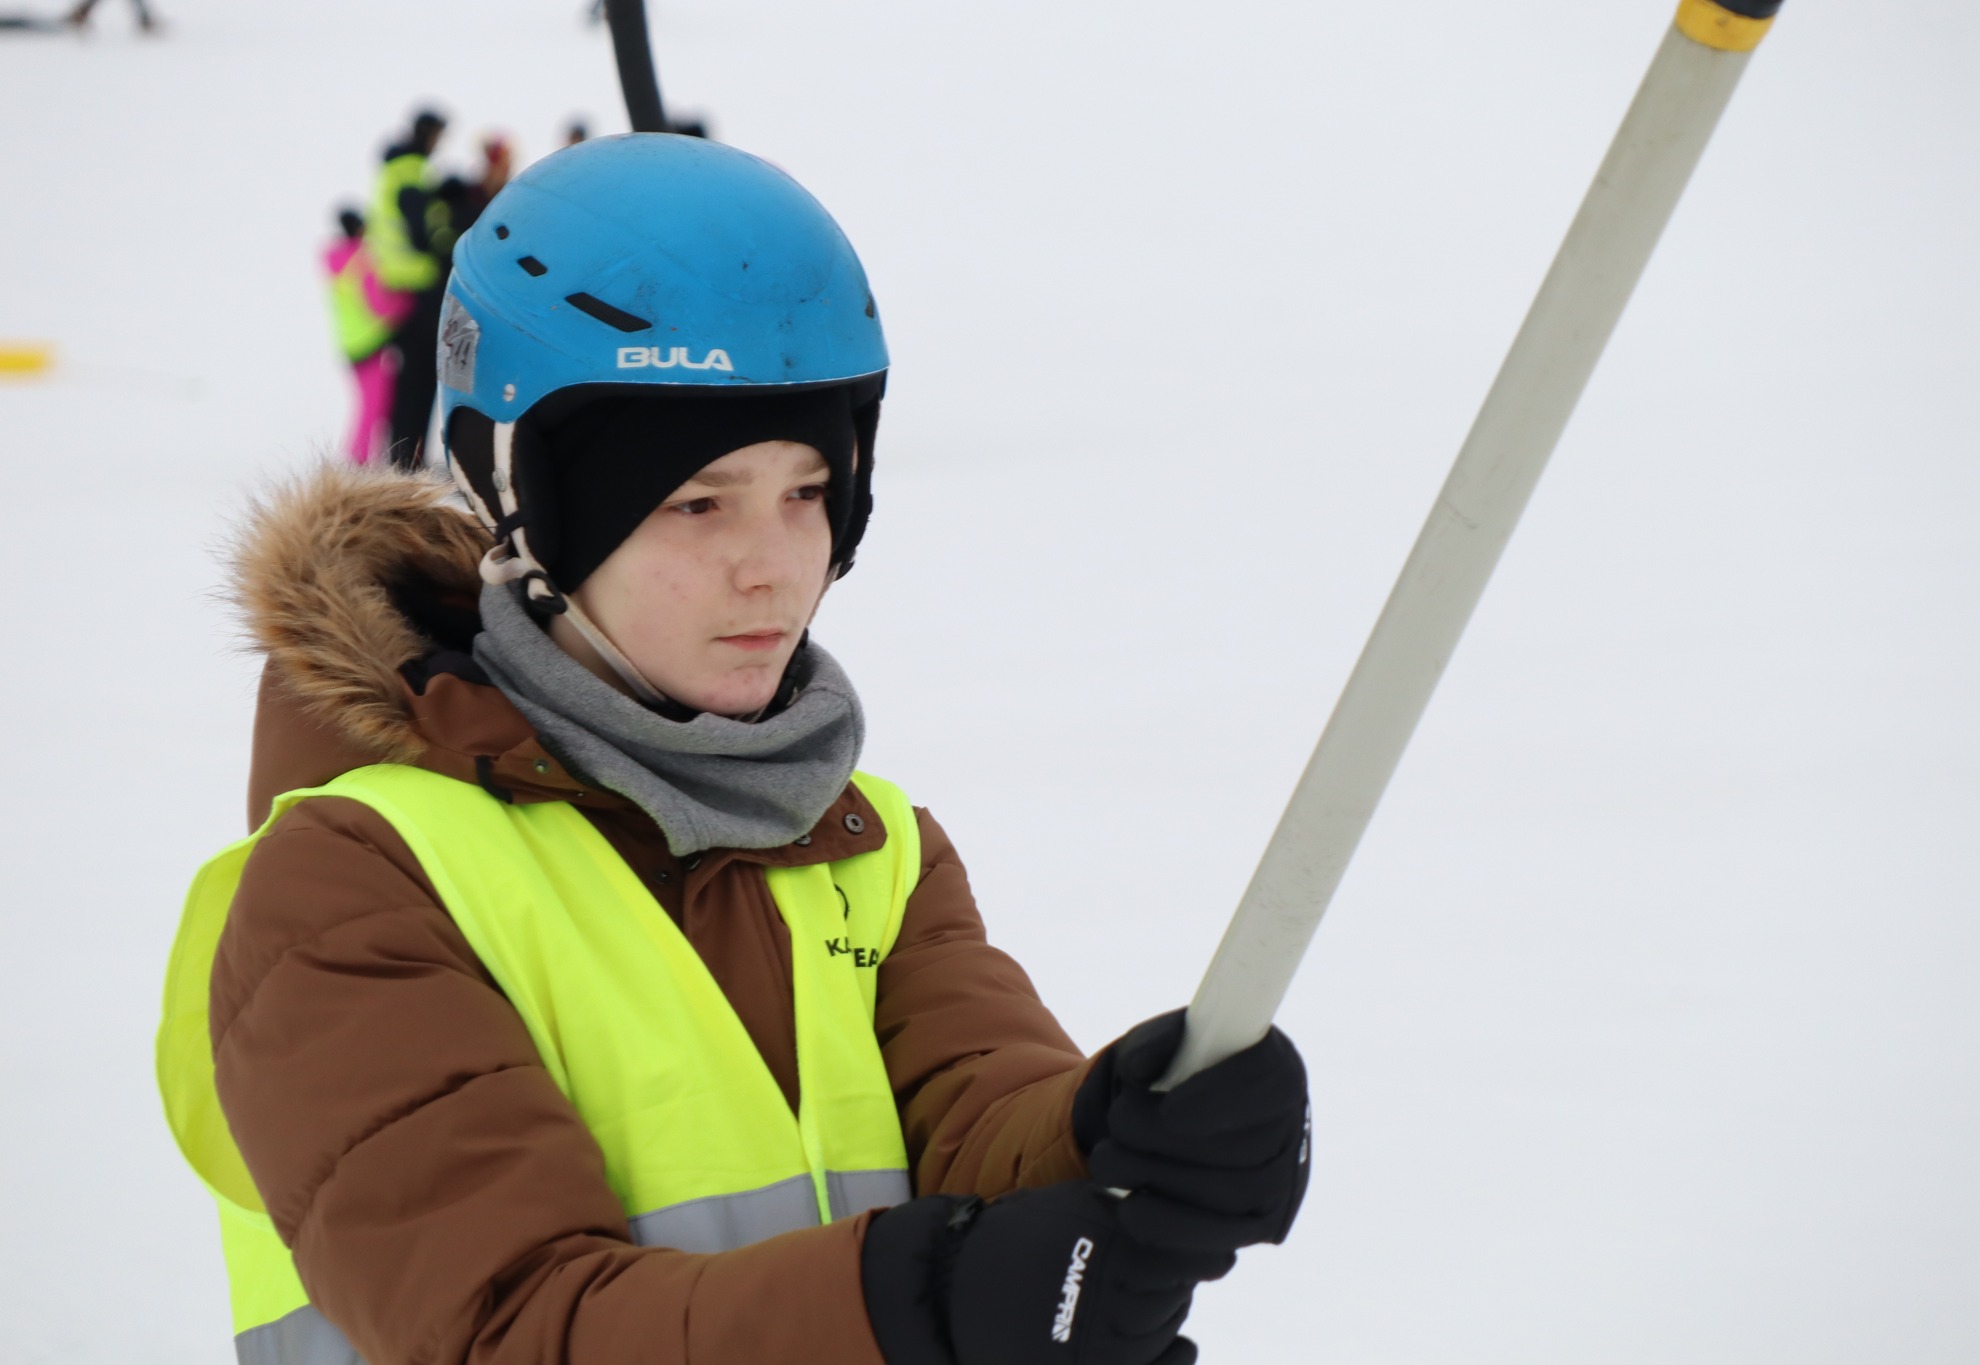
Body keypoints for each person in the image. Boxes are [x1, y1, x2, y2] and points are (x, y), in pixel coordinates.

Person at [158, 134, 1311, 1364]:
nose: (771, 565)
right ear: (522, 503)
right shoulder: (350, 890)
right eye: (695, 503)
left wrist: (1114, 1128)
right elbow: (508, 1325)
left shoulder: (864, 844)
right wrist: (921, 1306)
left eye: (807, 491)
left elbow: (973, 1122)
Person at [363, 107, 455, 470]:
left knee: (408, 380)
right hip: (420, 289)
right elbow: (421, 233)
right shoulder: (410, 170)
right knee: (419, 380)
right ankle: (407, 460)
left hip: (398, 289)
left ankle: (401, 456)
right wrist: (449, 244)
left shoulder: (393, 169)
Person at [320, 207, 411, 465]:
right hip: (372, 342)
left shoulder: (334, 260)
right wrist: (405, 303)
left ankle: (358, 458)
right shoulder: (362, 261)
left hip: (349, 343)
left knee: (365, 404)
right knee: (374, 407)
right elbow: (378, 305)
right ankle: (359, 460)